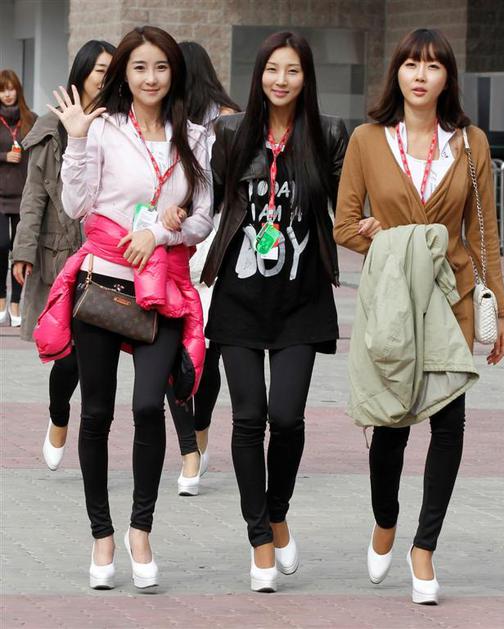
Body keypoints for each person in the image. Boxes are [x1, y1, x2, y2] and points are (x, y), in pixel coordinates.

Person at [334, 28, 504, 605]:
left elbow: (483, 233)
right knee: (391, 426)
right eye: (411, 64)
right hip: (392, 302)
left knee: (449, 423)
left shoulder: (470, 143)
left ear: (446, 78)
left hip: (452, 298)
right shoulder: (366, 140)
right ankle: (386, 520)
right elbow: (343, 225)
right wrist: (381, 238)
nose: (420, 75)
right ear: (398, 73)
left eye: (433, 66)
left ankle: (424, 548)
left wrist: (498, 308)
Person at [41, 25, 212, 590]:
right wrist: (76, 140)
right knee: (96, 412)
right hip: (104, 284)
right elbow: (76, 205)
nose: (150, 78)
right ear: (125, 74)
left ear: (174, 73)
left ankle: (141, 530)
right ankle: (102, 536)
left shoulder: (195, 136)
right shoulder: (104, 129)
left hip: (162, 290)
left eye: (160, 66)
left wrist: (160, 234)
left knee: (146, 407)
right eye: (139, 67)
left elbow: (203, 217)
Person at [201, 31, 348, 592]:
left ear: (306, 78)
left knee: (285, 418)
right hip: (239, 298)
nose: (281, 80)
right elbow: (207, 202)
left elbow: (349, 203)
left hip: (301, 299)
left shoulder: (328, 134)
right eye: (272, 69)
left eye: (292, 70)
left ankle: (277, 510)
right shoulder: (231, 133)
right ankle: (260, 536)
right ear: (258, 74)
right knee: (248, 418)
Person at [12, 40, 116, 472]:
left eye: (112, 71)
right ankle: (59, 416)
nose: (106, 79)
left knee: (97, 355)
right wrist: (23, 251)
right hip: (60, 255)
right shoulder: (52, 126)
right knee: (68, 354)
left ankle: (92, 438)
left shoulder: (120, 123)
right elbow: (34, 196)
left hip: (108, 255)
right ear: (83, 73)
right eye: (100, 70)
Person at [167, 40, 239, 496]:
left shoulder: (216, 121)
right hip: (203, 243)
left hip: (198, 243)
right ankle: (196, 442)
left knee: (194, 350)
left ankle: (196, 442)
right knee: (197, 350)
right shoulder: (227, 117)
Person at [0, 70, 37, 326]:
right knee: (1, 246)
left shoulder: (30, 119)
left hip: (25, 196)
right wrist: (4, 156)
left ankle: (16, 304)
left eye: (11, 88)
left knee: (20, 250)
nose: (7, 94)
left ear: (18, 90)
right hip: (0, 197)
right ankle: (1, 299)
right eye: (3, 90)